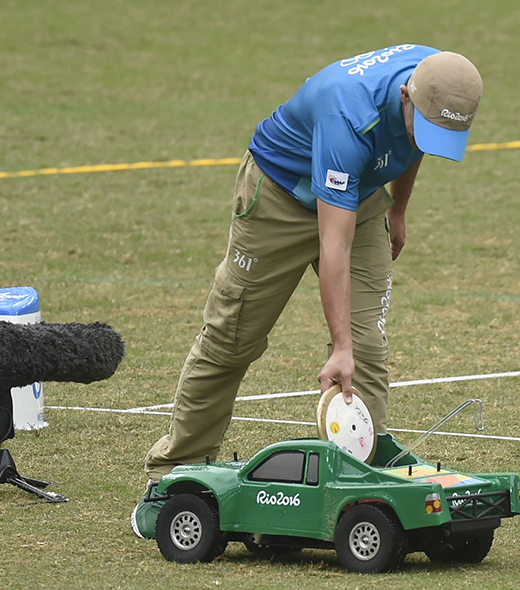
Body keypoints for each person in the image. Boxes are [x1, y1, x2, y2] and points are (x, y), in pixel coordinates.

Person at [131, 44, 483, 539]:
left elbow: (414, 144)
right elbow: (332, 244)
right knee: (232, 340)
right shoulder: (348, 113)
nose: (423, 135)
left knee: (369, 344)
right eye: (419, 122)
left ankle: (363, 482)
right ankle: (172, 477)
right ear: (406, 95)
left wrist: (398, 208)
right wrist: (338, 349)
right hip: (280, 195)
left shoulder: (440, 80)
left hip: (359, 195)